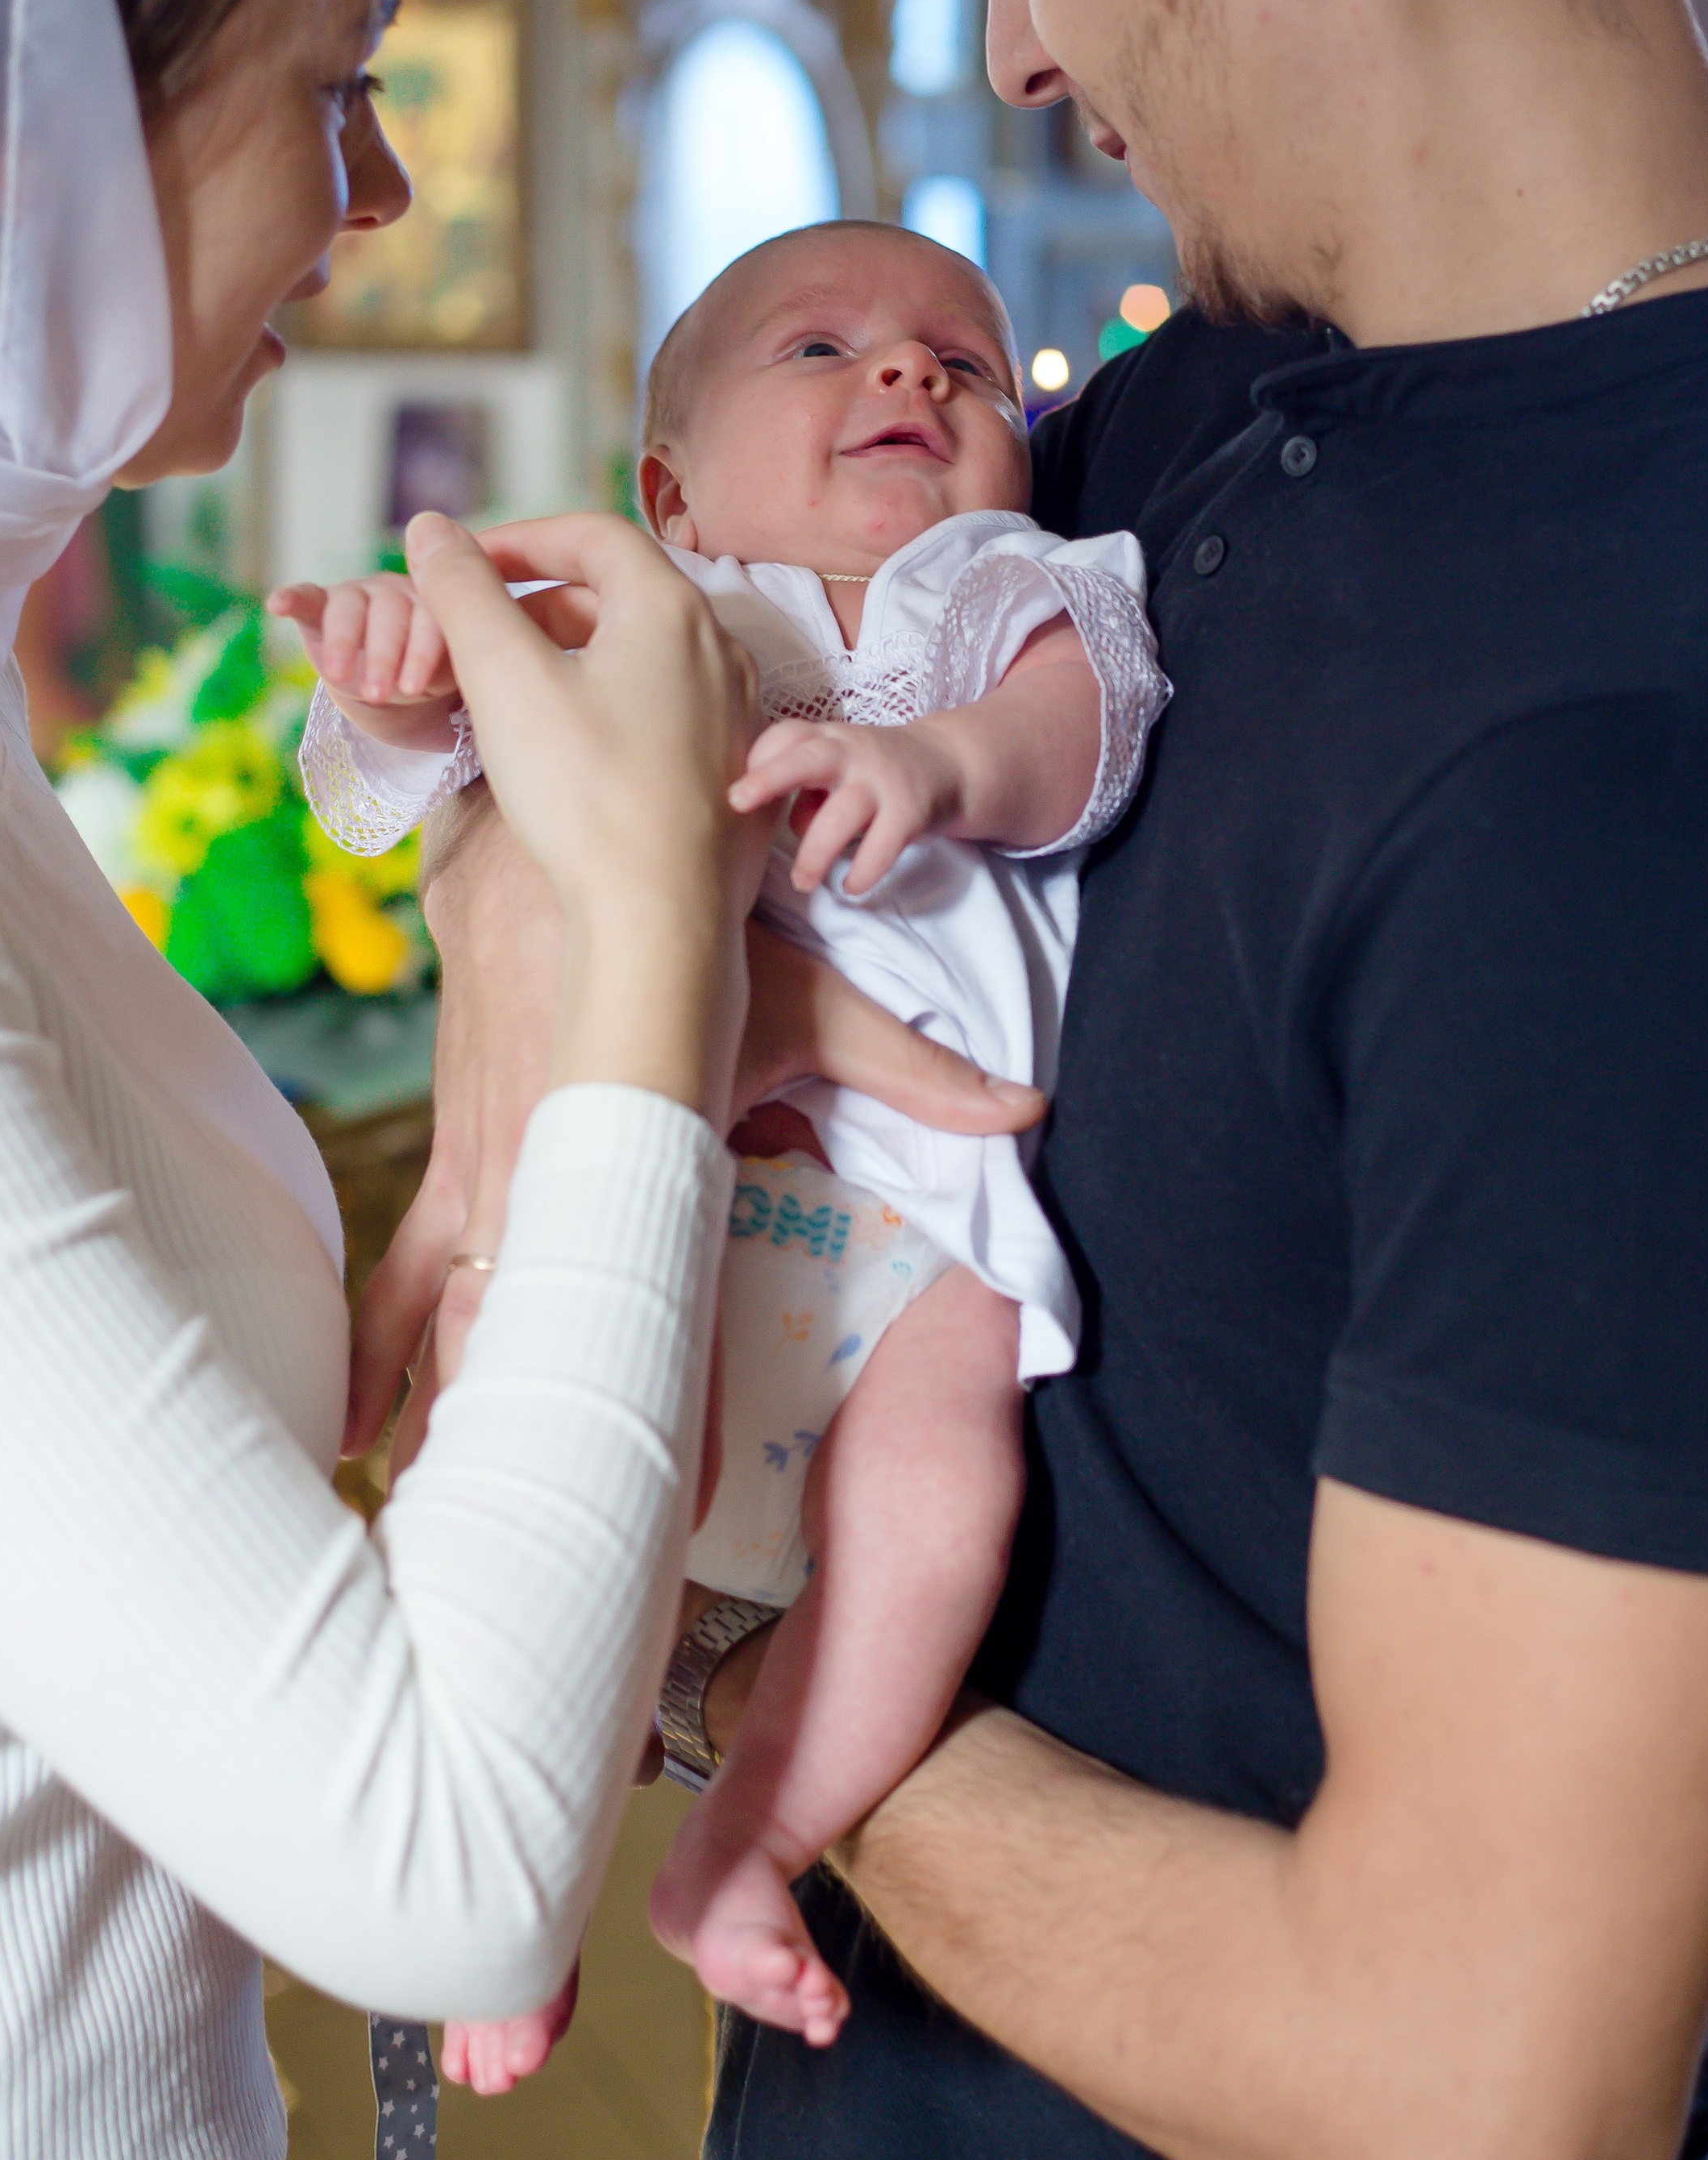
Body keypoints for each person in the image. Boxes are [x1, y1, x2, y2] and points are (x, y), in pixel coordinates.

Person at [384, 0, 1708, 2160]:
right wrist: (614, 989)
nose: (1025, 39)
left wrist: (738, 1653)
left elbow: (1468, 2149)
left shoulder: (1678, 773)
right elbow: (726, 720)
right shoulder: (1230, 408)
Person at [0, 0, 999, 2160]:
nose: (379, 189)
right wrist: (632, 945)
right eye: (326, 80)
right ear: (20, 106)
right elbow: (446, 1873)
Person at [275, 217, 1170, 2067]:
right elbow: (403, 783)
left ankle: (746, 1845)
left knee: (943, 1490)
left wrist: (934, 767)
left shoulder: (1011, 591)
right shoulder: (645, 616)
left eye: (963, 361)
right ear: (668, 484)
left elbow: (1078, 735)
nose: (910, 373)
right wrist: (379, 691)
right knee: (579, 1474)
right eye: (822, 351)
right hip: (663, 1160)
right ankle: (518, 1880)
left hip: (923, 1212)